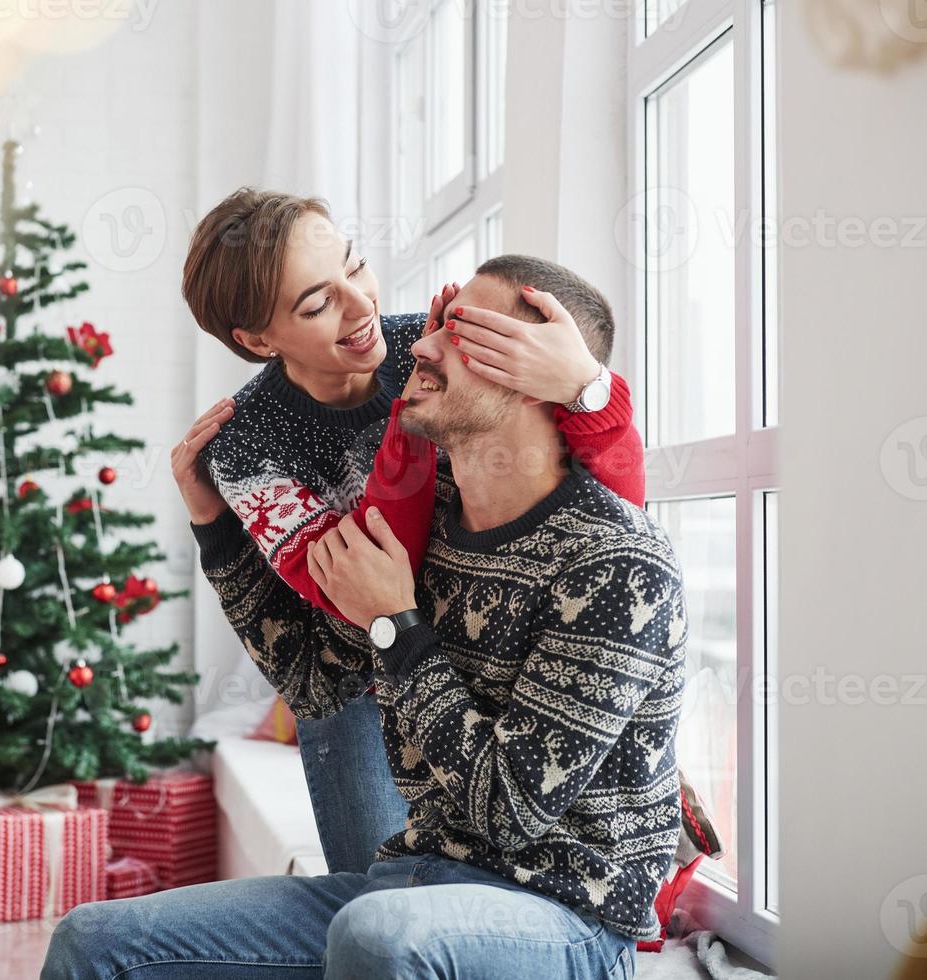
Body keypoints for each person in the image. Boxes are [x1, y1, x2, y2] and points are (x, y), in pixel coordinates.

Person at [40, 256, 686, 979]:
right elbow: (315, 682)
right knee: (91, 941)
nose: (415, 342)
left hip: (562, 917)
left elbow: (506, 810)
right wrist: (214, 527)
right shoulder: (419, 530)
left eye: (461, 330)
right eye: (438, 323)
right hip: (407, 882)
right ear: (257, 338)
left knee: (377, 937)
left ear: (536, 372)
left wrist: (393, 623)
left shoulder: (617, 561)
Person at [173, 188, 644, 875]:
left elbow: (608, 502)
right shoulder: (246, 446)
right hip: (360, 684)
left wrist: (585, 385)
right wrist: (415, 415)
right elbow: (357, 594)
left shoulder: (424, 344)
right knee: (378, 903)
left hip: (484, 651)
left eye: (355, 266)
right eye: (314, 304)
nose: (361, 305)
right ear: (255, 339)